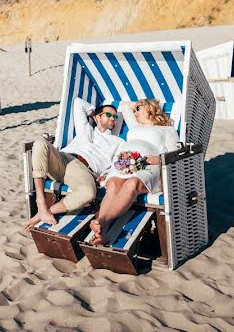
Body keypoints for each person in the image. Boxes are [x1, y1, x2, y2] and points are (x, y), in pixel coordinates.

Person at [24, 98, 128, 231]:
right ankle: (40, 200)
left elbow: (117, 164)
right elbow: (78, 103)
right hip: (64, 158)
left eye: (115, 116)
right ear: (97, 117)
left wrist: (106, 175)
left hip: (84, 170)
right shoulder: (86, 129)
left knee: (89, 193)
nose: (113, 118)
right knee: (39, 143)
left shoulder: (118, 142)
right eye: (108, 115)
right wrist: (92, 114)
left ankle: (42, 213)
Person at [88, 98, 179, 245]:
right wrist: (137, 105)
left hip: (148, 166)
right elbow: (124, 106)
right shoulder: (135, 126)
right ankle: (102, 234)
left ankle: (102, 221)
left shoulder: (167, 130)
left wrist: (159, 159)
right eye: (135, 110)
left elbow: (176, 154)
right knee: (113, 185)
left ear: (151, 109)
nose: (135, 112)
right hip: (122, 164)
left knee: (132, 184)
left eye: (138, 109)